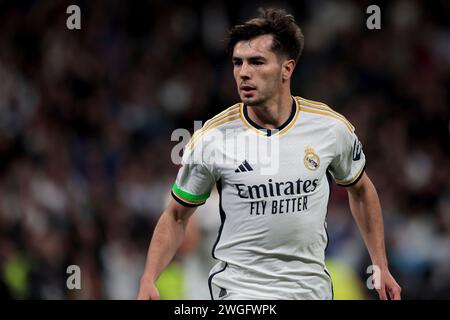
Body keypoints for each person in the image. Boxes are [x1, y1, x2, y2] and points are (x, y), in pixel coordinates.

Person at [138, 8, 401, 300]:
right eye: (238, 63)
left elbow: (362, 190)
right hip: (241, 293)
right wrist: (149, 278)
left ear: (286, 69)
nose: (243, 73)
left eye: (256, 62)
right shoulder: (211, 138)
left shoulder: (329, 128)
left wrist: (380, 265)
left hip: (311, 291)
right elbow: (176, 215)